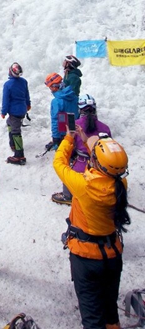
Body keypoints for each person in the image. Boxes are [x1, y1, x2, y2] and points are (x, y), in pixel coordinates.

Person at [53, 128, 130, 329]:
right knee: (109, 310)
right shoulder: (120, 183)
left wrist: (70, 138)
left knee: (92, 316)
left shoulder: (84, 185)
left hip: (86, 258)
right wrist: (88, 141)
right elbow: (106, 165)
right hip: (112, 253)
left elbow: (59, 162)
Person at [52, 94, 111, 205]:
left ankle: (67, 195)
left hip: (80, 164)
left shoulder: (75, 125)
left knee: (66, 167)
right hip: (100, 166)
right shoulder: (105, 127)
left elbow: (71, 146)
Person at [1, 62, 31, 165]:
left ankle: (19, 155)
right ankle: (13, 143)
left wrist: (3, 112)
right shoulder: (24, 82)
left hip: (14, 111)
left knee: (15, 131)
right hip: (22, 109)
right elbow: (27, 94)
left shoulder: (8, 84)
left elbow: (5, 100)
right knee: (10, 123)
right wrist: (28, 104)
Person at [44, 72, 78, 150]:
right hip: (74, 129)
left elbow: (56, 120)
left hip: (63, 132)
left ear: (54, 87)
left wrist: (55, 137)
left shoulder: (57, 101)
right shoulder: (73, 96)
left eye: (50, 87)